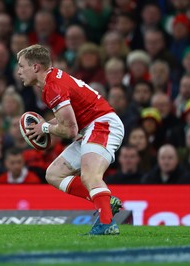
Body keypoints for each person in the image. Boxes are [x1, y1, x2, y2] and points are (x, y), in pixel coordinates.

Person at [17, 44, 124, 235]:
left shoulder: (53, 87)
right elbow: (70, 120)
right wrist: (46, 127)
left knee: (91, 175)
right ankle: (105, 203)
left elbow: (70, 130)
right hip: (89, 128)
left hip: (102, 124)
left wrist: (45, 127)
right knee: (54, 174)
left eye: (21, 66)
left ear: (35, 67)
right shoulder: (53, 80)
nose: (19, 72)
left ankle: (107, 224)